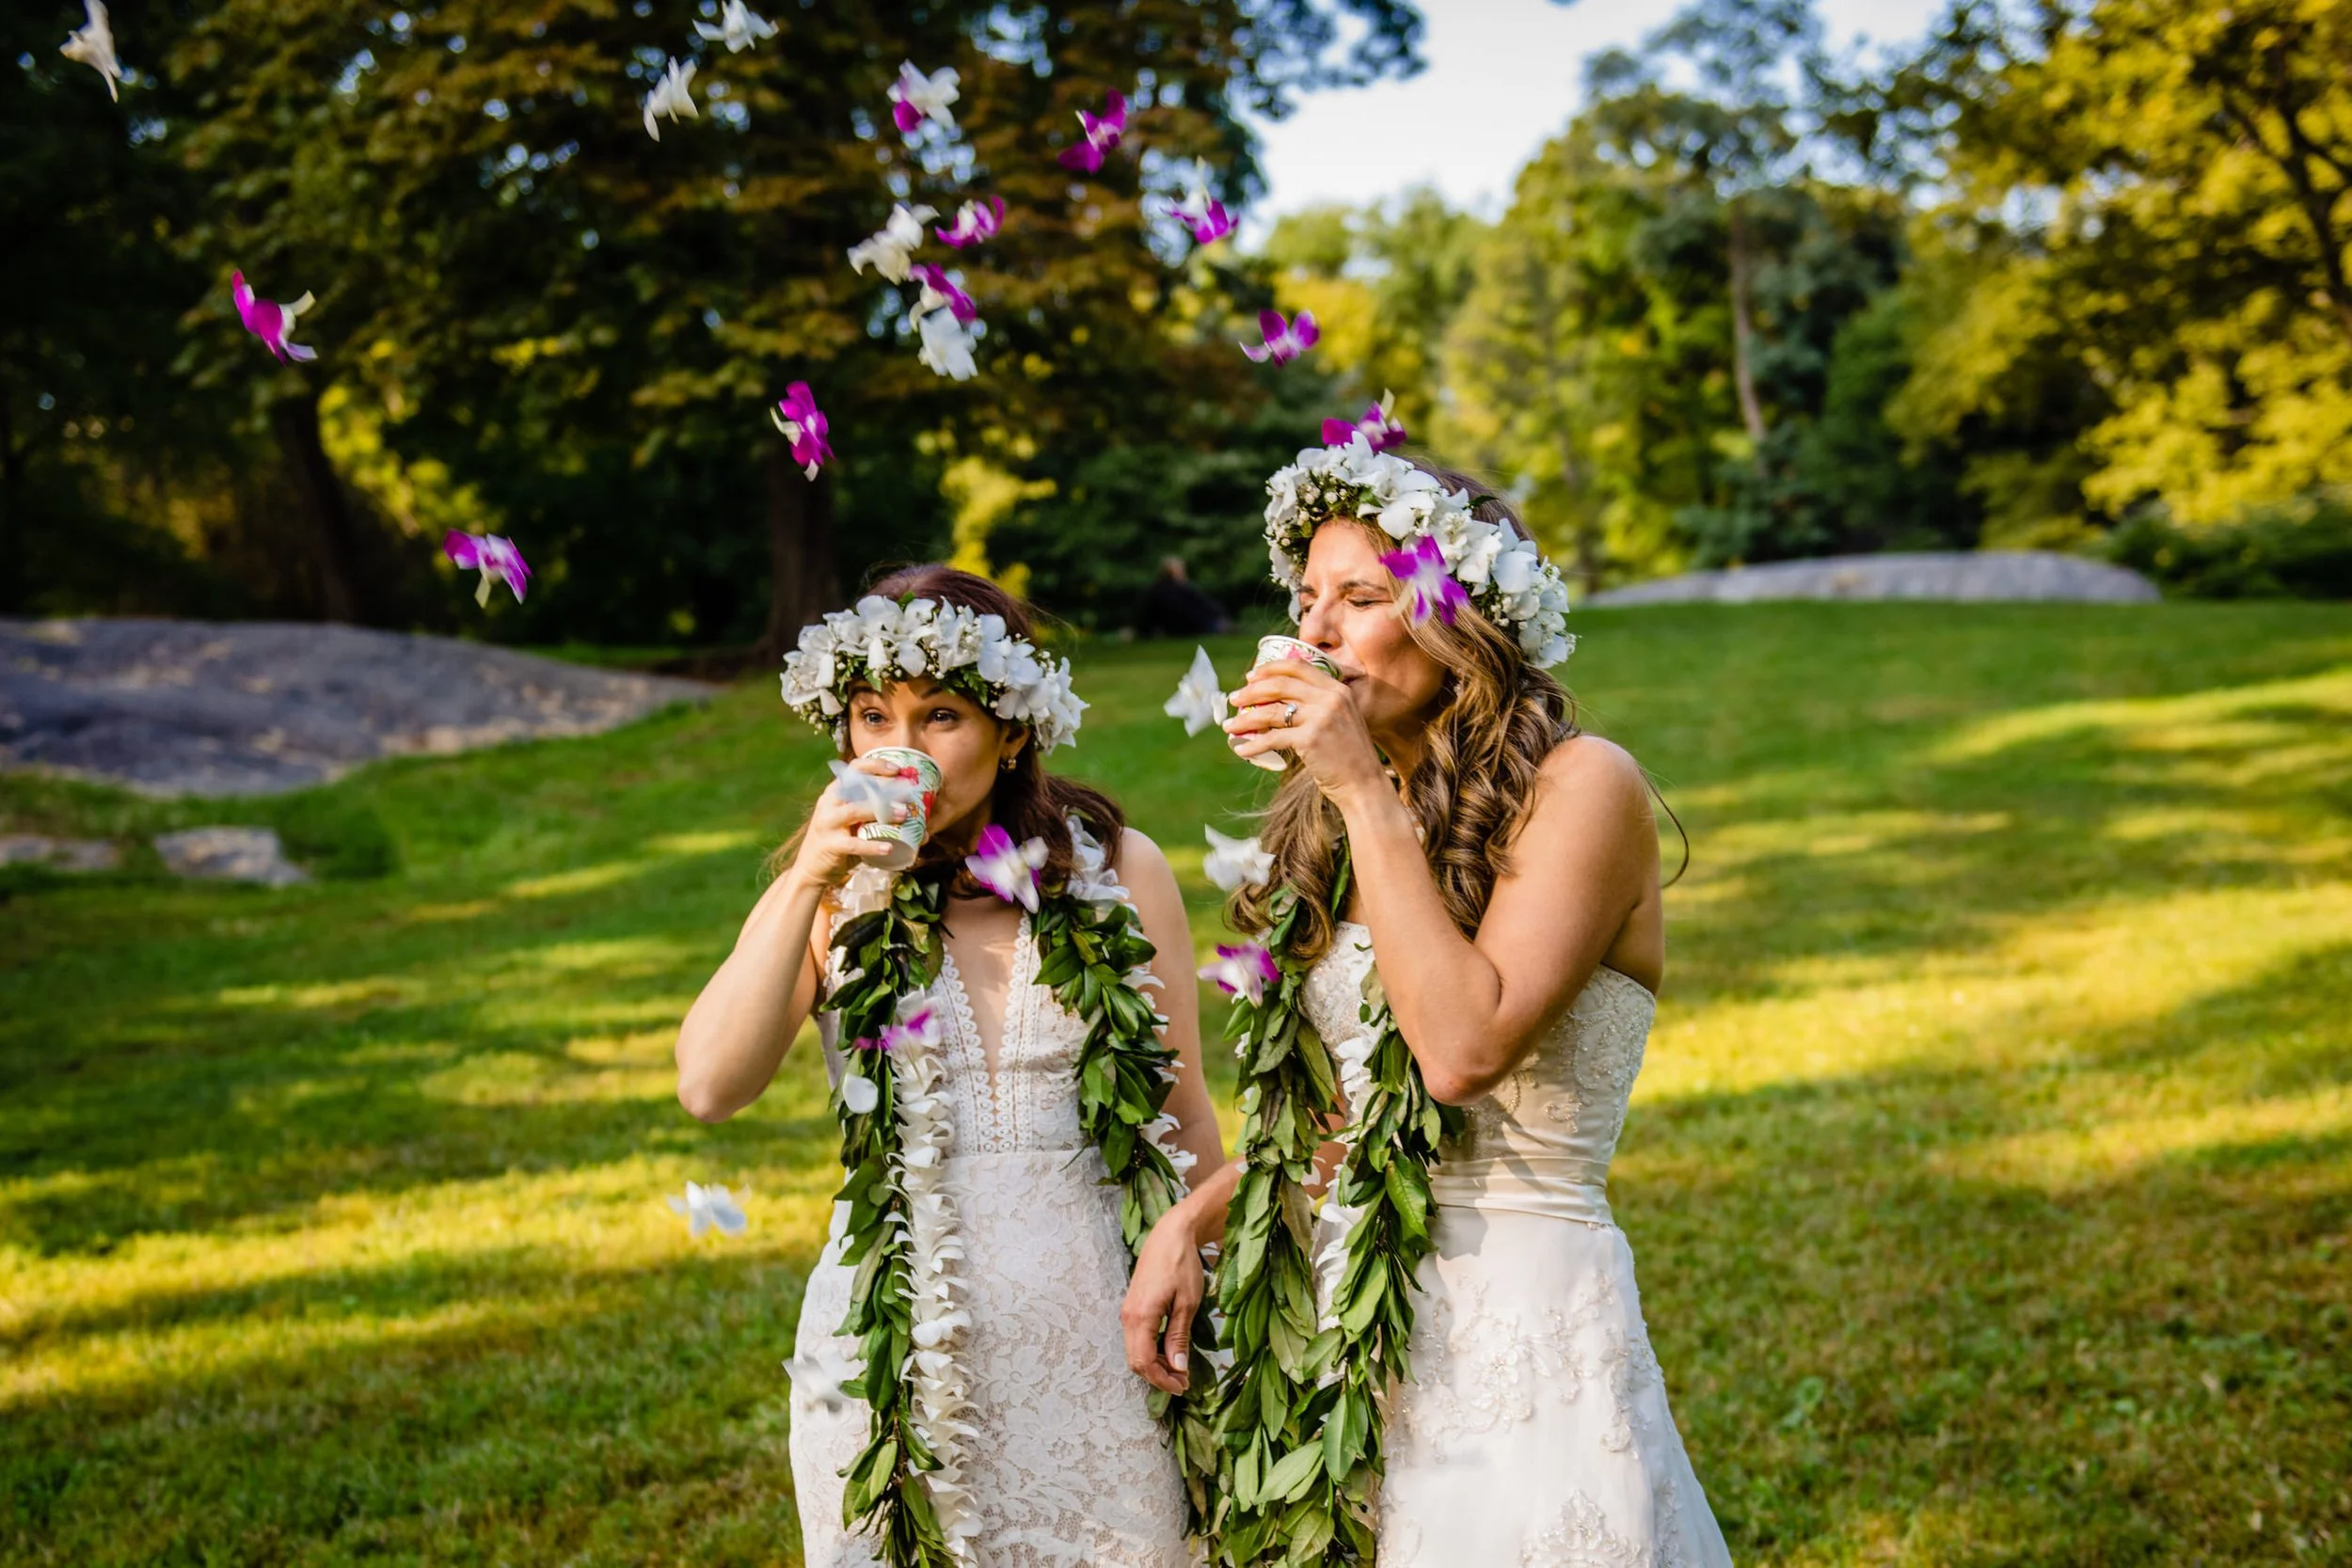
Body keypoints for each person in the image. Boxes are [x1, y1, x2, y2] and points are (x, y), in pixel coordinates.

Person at [1121, 442, 1731, 1564]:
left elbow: (1458, 1050)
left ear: (1465, 616)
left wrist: (1353, 781)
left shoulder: (1581, 784)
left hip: (1524, 1319)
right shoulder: (1353, 819)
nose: (1316, 633)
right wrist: (1192, 1217)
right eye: (1306, 601)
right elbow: (1340, 1120)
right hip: (1347, 1328)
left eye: (1361, 596)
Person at [677, 565, 1224, 1567]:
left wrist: (1195, 1257)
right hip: (899, 1340)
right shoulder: (831, 889)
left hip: (1102, 1332)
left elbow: (1184, 1114)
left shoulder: (1118, 869)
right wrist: (809, 875)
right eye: (870, 715)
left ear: (1011, 729)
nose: (898, 749)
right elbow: (711, 1084)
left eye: (938, 716)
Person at [1134, 555, 1232, 639]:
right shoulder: (1182, 589)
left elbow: (1147, 616)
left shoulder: (1155, 590)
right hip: (1194, 626)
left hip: (1175, 629)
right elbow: (1205, 605)